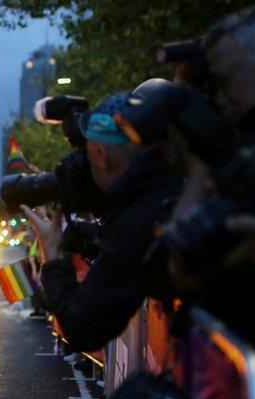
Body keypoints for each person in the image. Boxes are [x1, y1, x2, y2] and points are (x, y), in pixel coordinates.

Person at [22, 92, 183, 352]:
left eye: (86, 157)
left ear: (100, 154)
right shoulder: (172, 191)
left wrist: (53, 256)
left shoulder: (139, 219)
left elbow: (85, 326)